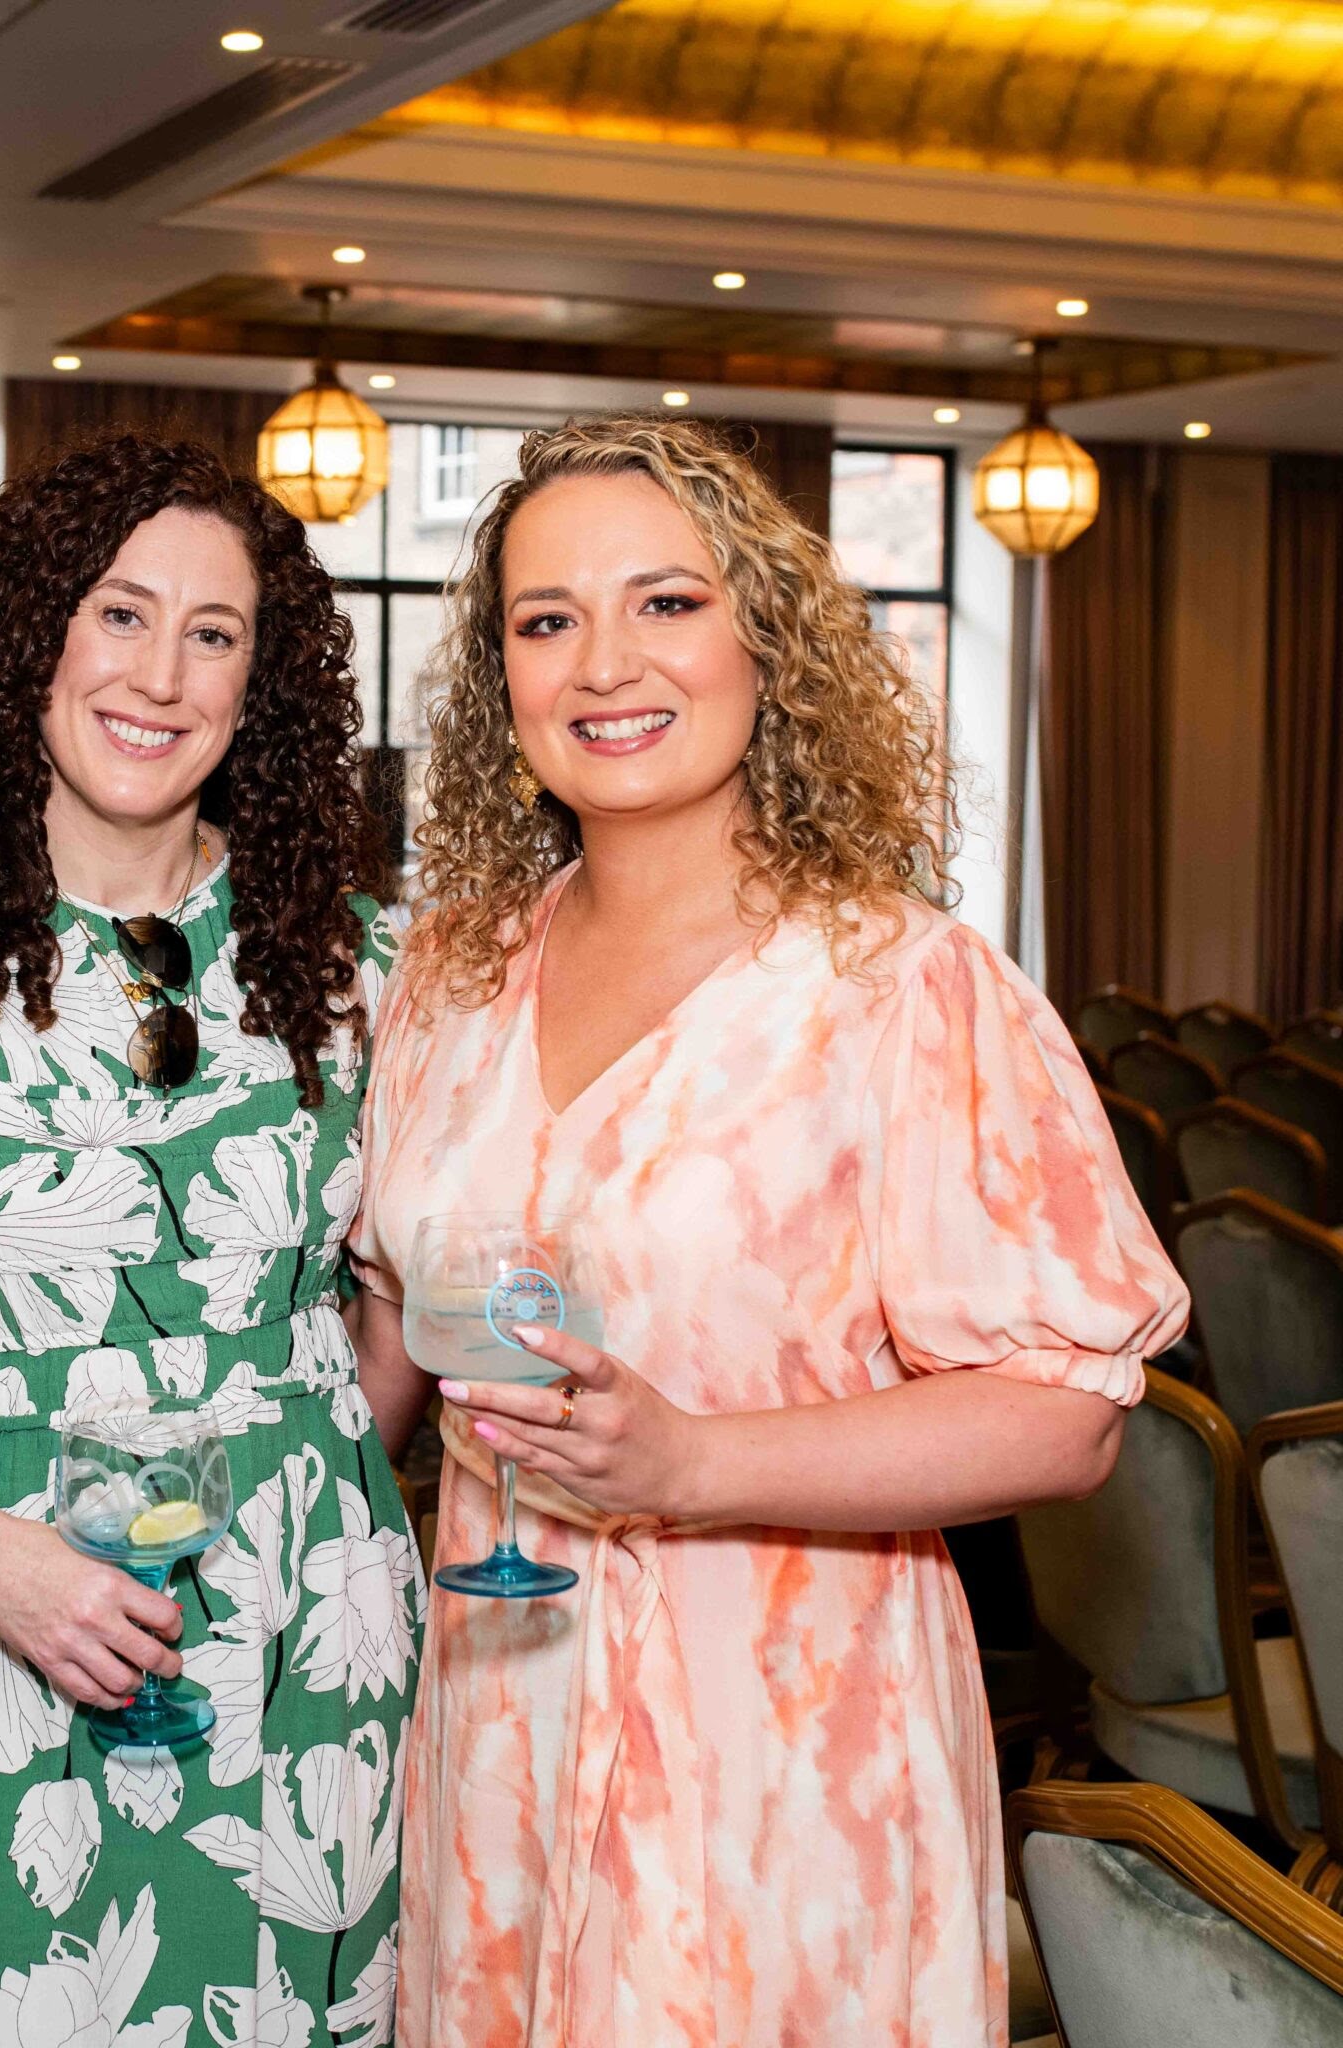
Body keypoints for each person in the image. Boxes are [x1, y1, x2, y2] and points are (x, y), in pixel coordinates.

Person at [349, 414, 1187, 2047]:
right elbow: (392, 1335)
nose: (605, 664)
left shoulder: (901, 984)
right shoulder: (448, 975)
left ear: (767, 645)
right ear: (502, 679)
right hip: (499, 1713)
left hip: (788, 1739)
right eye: (546, 620)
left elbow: (1069, 1409)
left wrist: (693, 1463)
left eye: (667, 603)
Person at [0, 434, 414, 2046]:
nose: (159, 675)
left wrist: (311, 1501)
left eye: (212, 632)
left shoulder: (360, 970)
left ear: (263, 683)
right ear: (25, 639)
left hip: (308, 1682)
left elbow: (386, 1318)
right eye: (119, 614)